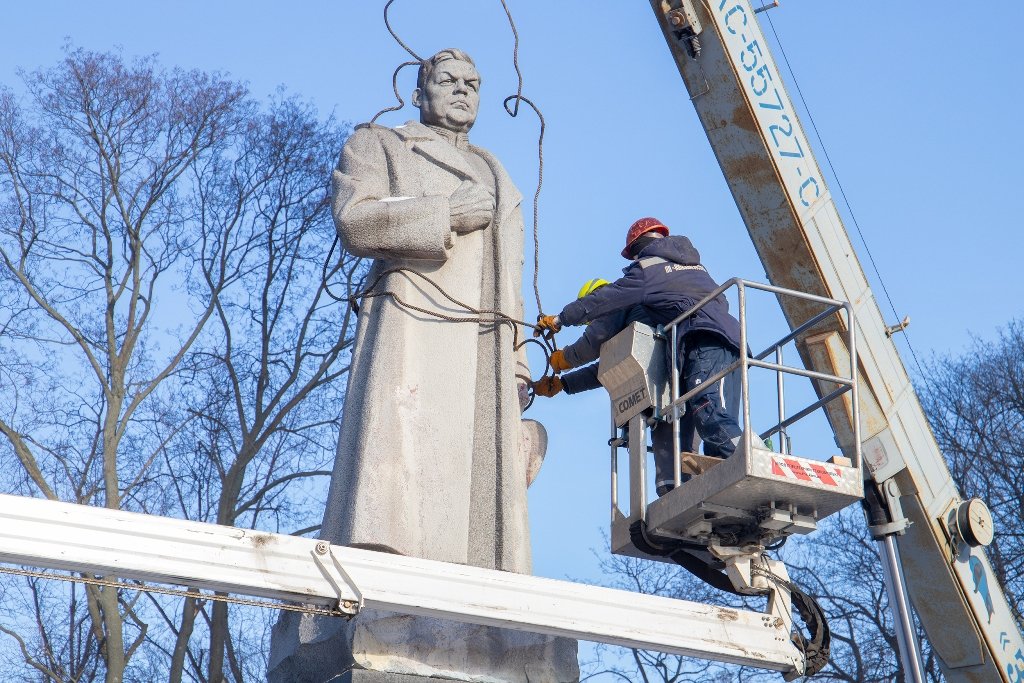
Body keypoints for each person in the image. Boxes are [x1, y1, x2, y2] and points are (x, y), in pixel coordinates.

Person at [269, 49, 577, 683]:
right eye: (448, 81)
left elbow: (511, 277)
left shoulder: (498, 172)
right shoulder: (380, 143)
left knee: (483, 484)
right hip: (412, 323)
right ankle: (388, 579)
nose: (463, 91)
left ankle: (482, 598)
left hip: (484, 346)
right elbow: (356, 222)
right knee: (398, 463)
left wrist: (517, 358)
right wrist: (446, 215)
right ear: (420, 92)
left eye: (473, 83)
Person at [536, 217, 743, 496]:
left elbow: (597, 337)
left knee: (706, 410)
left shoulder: (640, 281)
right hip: (708, 350)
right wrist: (567, 384)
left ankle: (748, 459)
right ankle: (704, 485)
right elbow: (616, 364)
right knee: (705, 421)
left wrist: (563, 342)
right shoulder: (688, 271)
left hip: (701, 344)